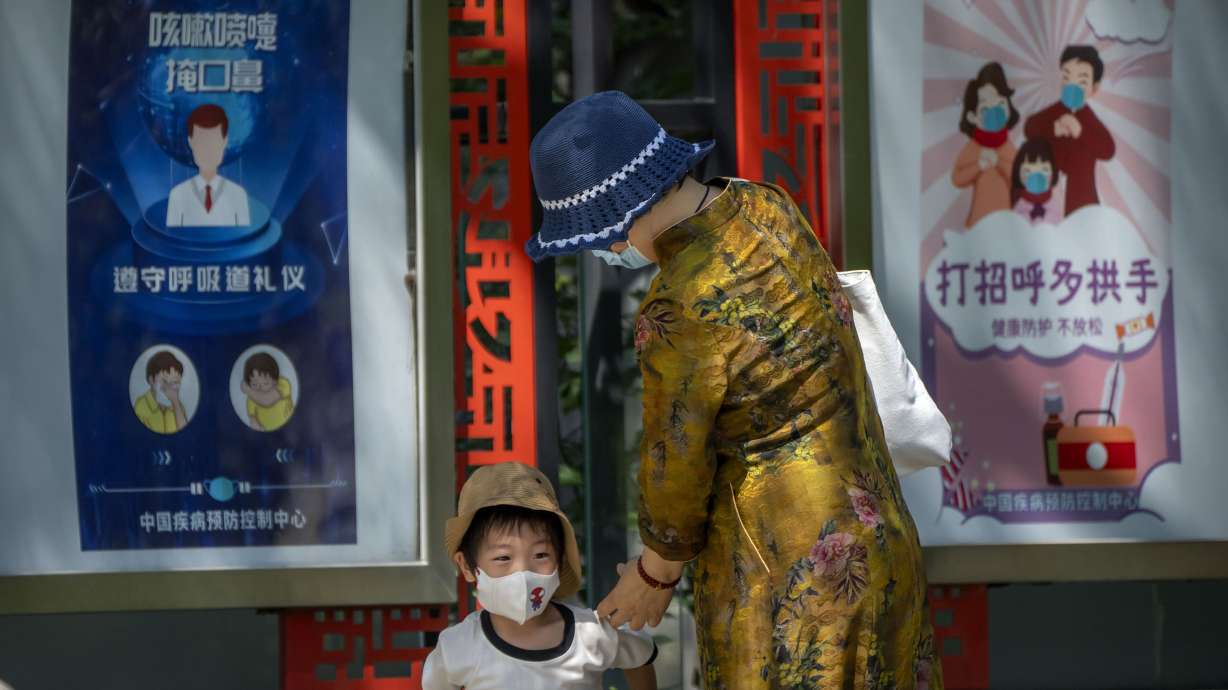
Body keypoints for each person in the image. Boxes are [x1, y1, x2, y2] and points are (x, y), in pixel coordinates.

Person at [525, 91, 941, 689]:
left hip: (791, 575)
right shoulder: (764, 204)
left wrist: (653, 574)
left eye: (596, 237)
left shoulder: (679, 306)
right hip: (880, 538)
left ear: (616, 221)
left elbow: (676, 471)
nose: (606, 252)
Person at [422, 462, 658, 690]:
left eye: (540, 554)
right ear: (467, 566)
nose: (522, 572)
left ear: (560, 558)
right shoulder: (458, 646)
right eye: (503, 558)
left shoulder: (591, 633)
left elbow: (641, 656)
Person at [1024, 45, 1115, 214]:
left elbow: (1108, 150)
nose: (1072, 85)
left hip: (1080, 194)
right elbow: (1030, 128)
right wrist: (1054, 130)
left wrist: (1080, 131)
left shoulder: (1088, 118)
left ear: (1094, 88)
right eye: (1067, 78)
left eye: (1081, 81)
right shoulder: (1055, 111)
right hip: (1049, 183)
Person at [951, 62, 1019, 229]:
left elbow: (1018, 178)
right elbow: (957, 178)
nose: (994, 112)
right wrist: (978, 166)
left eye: (1000, 104)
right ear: (972, 117)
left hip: (1007, 223)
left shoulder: (1007, 147)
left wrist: (999, 163)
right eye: (985, 108)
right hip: (978, 222)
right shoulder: (974, 147)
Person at [167, 104, 252, 227]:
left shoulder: (238, 195)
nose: (208, 149)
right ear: (191, 142)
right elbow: (172, 243)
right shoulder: (177, 195)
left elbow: (245, 243)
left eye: (214, 140)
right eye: (202, 141)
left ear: (224, 141)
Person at [133, 350, 188, 434]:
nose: (170, 388)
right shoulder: (141, 406)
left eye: (175, 383)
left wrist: (176, 404)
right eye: (165, 382)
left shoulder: (179, 407)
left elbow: (186, 435)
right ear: (151, 380)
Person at [1011, 138, 1063, 224]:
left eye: (1045, 170)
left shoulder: (1056, 205)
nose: (1036, 176)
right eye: (1027, 171)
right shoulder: (1018, 209)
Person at [240, 352, 294, 431]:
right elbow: (252, 419)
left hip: (289, 427)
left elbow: (267, 400)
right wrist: (258, 428)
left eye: (266, 383)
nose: (260, 388)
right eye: (254, 384)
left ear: (275, 380)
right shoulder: (251, 398)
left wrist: (248, 390)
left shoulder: (282, 384)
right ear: (249, 383)